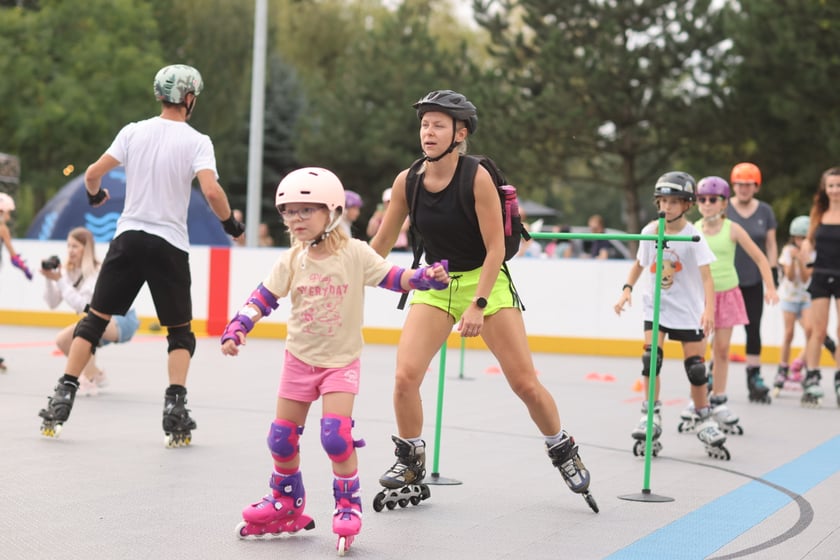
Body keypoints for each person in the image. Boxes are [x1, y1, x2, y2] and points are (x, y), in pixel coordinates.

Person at [369, 89, 597, 512]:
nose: (428, 132)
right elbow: (380, 244)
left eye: (438, 124)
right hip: (435, 282)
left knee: (524, 383)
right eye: (424, 124)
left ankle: (563, 448)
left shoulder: (477, 177)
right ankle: (410, 460)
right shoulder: (408, 180)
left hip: (485, 281)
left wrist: (477, 304)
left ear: (461, 132)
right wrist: (346, 267)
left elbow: (496, 249)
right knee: (405, 377)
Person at [221, 167, 449, 552]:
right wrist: (240, 323)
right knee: (280, 439)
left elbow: (394, 278)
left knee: (336, 437)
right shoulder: (294, 258)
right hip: (298, 361)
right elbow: (264, 295)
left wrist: (424, 277)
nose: (295, 220)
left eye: (305, 211)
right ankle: (286, 502)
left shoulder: (355, 254)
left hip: (339, 364)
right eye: (288, 212)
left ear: (332, 211)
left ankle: (347, 505)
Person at [37, 64, 245, 444]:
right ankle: (175, 407)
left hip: (129, 238)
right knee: (180, 332)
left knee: (94, 320)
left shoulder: (133, 131)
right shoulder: (198, 140)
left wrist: (95, 194)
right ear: (189, 99)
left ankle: (63, 394)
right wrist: (231, 224)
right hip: (168, 245)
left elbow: (92, 172)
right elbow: (212, 193)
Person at [614, 171, 731, 460]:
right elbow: (640, 264)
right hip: (656, 307)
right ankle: (650, 414)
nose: (667, 207)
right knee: (650, 359)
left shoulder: (694, 236)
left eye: (674, 202)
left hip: (688, 310)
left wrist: (709, 310)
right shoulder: (649, 231)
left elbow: (707, 278)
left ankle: (703, 417)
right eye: (663, 201)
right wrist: (626, 290)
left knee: (696, 369)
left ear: (687, 204)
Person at [687, 177, 777, 434]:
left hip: (727, 294)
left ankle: (719, 399)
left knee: (723, 350)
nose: (706, 204)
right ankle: (698, 401)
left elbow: (760, 258)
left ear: (723, 203)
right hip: (701, 297)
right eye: (702, 199)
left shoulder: (733, 229)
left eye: (712, 200)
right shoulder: (692, 229)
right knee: (698, 354)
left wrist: (770, 286)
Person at [41, 227, 140, 396]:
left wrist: (60, 281)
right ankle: (94, 374)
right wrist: (50, 280)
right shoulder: (68, 272)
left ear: (86, 249)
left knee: (77, 333)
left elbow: (85, 306)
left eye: (75, 246)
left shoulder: (97, 271)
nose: (70, 251)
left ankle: (87, 380)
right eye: (68, 246)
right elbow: (52, 303)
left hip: (122, 320)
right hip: (99, 323)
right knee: (67, 339)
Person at [726, 162, 778, 402]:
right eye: (739, 184)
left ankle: (754, 376)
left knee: (753, 328)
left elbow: (770, 244)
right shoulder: (723, 208)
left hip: (754, 279)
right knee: (720, 330)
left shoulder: (765, 211)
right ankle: (709, 373)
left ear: (756, 187)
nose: (744, 189)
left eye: (748, 185)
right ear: (733, 186)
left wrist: (773, 276)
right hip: (727, 280)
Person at [800, 167, 840, 407]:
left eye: (839, 185)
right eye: (832, 186)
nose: (835, 190)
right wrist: (805, 245)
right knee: (817, 330)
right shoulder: (818, 213)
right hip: (821, 275)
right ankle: (812, 377)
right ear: (825, 189)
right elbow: (809, 240)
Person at [774, 215, 816, 393]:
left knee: (810, 331)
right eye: (798, 238)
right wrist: (793, 260)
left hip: (806, 298)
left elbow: (807, 278)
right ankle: (782, 368)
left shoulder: (814, 253)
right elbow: (790, 277)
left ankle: (800, 363)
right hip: (790, 298)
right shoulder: (787, 251)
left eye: (804, 238)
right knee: (789, 333)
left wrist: (801, 259)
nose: (800, 242)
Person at [0, 191, 33, 371]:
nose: (9, 215)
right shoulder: (2, 228)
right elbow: (14, 257)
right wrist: (26, 270)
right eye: (7, 212)